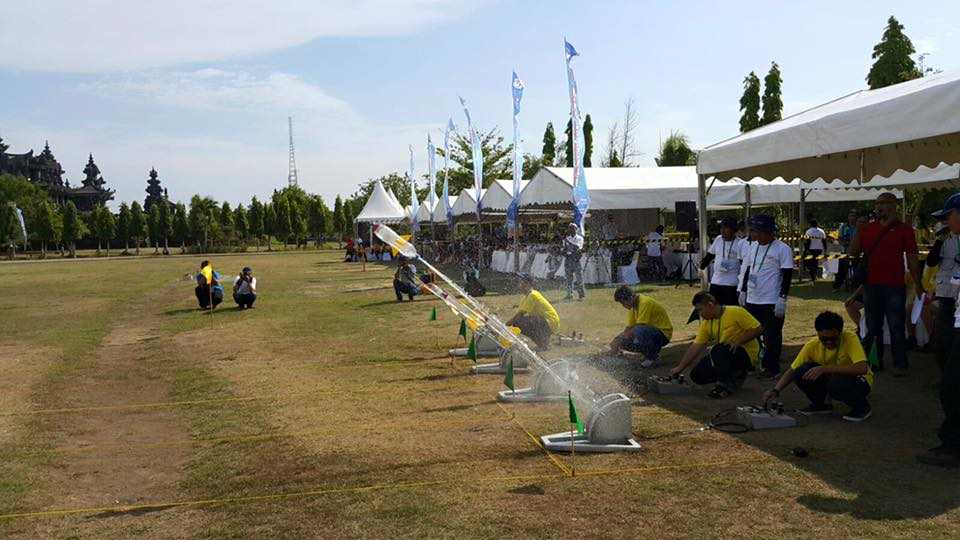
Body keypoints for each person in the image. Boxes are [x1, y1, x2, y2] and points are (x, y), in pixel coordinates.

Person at [850, 192, 923, 376]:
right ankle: (875, 362)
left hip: (894, 285)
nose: (878, 206)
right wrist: (858, 230)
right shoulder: (867, 229)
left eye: (883, 203)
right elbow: (853, 253)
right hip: (871, 285)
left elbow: (913, 259)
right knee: (873, 327)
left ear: (894, 206)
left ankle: (900, 364)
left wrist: (918, 283)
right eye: (877, 203)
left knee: (896, 325)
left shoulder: (905, 230)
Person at [763, 311, 874, 422]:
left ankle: (862, 407)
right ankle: (821, 404)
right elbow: (792, 370)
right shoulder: (812, 345)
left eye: (833, 338)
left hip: (860, 381)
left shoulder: (850, 338)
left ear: (840, 333)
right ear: (818, 334)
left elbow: (862, 368)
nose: (829, 342)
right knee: (800, 372)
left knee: (835, 383)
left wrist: (825, 369)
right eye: (824, 339)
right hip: (834, 378)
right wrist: (775, 390)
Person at [917, 193, 960, 467]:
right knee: (948, 376)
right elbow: (932, 263)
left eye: (948, 216)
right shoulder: (948, 239)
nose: (945, 222)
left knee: (951, 386)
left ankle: (953, 445)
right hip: (952, 310)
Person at [670, 292, 763, 399]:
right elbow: (696, 346)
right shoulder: (706, 323)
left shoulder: (736, 311)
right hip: (724, 354)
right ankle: (733, 375)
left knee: (717, 350)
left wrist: (739, 341)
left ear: (710, 305)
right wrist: (680, 367)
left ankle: (725, 385)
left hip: (745, 353)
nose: (699, 314)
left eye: (700, 310)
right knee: (696, 376)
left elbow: (758, 329)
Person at [740, 214, 794, 379]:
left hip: (771, 300)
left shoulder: (782, 249)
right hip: (752, 298)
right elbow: (749, 269)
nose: (755, 235)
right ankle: (752, 363)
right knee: (751, 334)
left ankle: (772, 369)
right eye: (754, 231)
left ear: (769, 232)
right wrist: (743, 290)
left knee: (772, 336)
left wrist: (782, 298)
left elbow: (787, 274)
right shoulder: (753, 246)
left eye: (758, 232)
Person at [609, 285, 673, 368]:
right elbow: (629, 328)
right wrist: (617, 341)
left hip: (663, 334)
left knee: (638, 330)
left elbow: (640, 326)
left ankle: (652, 358)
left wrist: (621, 339)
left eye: (622, 303)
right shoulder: (633, 307)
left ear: (629, 298)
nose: (623, 306)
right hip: (650, 333)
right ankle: (649, 354)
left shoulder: (644, 302)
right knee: (623, 341)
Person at [926, 219, 958, 371]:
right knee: (943, 337)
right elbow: (931, 261)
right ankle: (945, 373)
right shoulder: (945, 240)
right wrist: (939, 241)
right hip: (945, 294)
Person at [699, 217, 748, 305]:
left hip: (732, 284)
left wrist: (742, 287)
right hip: (716, 283)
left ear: (734, 230)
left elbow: (744, 266)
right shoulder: (718, 239)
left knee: (729, 311)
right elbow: (710, 255)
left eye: (726, 228)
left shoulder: (740, 243)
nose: (722, 231)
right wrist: (702, 265)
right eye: (721, 228)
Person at [506, 275, 560, 351]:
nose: (519, 285)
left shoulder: (532, 295)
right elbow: (519, 314)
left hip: (550, 322)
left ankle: (543, 344)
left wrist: (506, 325)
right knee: (520, 322)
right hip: (546, 321)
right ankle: (542, 343)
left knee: (519, 322)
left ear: (527, 284)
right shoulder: (526, 297)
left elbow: (519, 315)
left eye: (521, 283)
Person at [834, 211, 859, 290]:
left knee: (857, 268)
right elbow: (839, 238)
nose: (852, 218)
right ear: (848, 218)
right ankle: (838, 286)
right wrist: (844, 243)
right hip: (845, 250)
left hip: (857, 251)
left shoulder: (859, 227)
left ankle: (857, 285)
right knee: (841, 269)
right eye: (850, 216)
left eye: (854, 216)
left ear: (856, 218)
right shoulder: (843, 227)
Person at [562, 223, 585, 301]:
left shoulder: (580, 238)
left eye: (573, 228)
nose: (571, 229)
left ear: (576, 229)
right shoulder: (566, 239)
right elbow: (564, 250)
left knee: (579, 278)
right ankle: (569, 294)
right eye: (570, 228)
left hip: (576, 260)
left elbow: (577, 247)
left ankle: (581, 295)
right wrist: (565, 251)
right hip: (568, 260)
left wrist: (568, 244)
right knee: (568, 279)